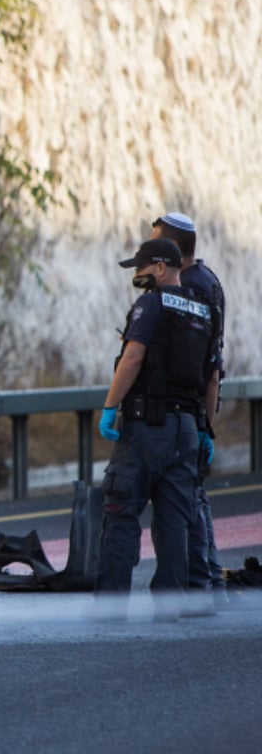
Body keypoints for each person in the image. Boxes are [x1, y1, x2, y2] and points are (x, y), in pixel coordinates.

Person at [94, 237, 216, 620]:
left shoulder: (151, 304)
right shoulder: (205, 309)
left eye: (142, 268)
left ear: (161, 267)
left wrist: (110, 407)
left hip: (147, 427)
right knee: (175, 520)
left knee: (120, 511)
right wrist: (205, 429)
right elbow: (211, 377)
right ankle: (170, 606)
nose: (138, 275)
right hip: (185, 429)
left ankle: (111, 608)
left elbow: (133, 357)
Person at [150, 211, 228, 608]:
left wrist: (202, 425)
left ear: (173, 249)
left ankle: (203, 585)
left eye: (157, 246)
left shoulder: (191, 288)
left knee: (187, 502)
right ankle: (210, 580)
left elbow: (202, 366)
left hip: (187, 408)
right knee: (194, 497)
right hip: (199, 406)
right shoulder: (210, 280)